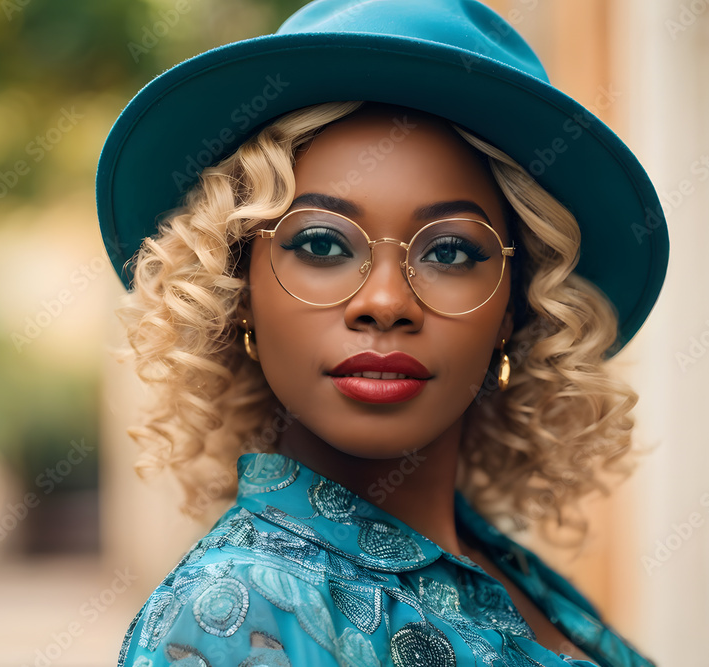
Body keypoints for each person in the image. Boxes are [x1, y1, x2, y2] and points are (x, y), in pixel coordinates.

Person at [95, 1, 668, 665]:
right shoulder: (231, 614)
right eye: (320, 243)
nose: (387, 301)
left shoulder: (509, 571)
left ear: (516, 306)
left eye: (451, 252)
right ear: (238, 288)